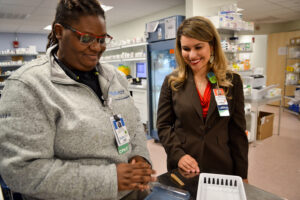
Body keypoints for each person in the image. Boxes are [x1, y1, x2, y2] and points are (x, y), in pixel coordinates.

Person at [0, 0, 156, 199]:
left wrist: (141, 157)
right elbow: (21, 171)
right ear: (59, 31)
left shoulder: (114, 77)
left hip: (130, 194)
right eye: (86, 38)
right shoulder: (29, 86)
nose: (96, 47)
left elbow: (134, 127)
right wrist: (109, 179)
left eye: (101, 39)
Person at [156, 16, 249, 181]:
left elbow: (237, 131)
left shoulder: (231, 81)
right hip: (184, 165)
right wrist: (179, 155)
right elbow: (163, 126)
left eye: (198, 47)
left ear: (212, 46)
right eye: (186, 48)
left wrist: (242, 175)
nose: (192, 55)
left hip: (221, 164)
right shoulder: (172, 82)